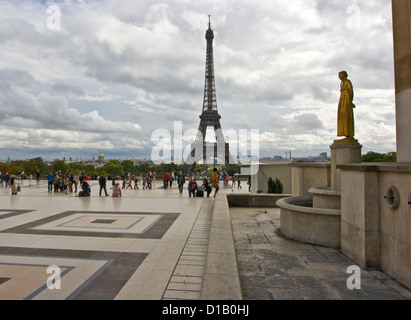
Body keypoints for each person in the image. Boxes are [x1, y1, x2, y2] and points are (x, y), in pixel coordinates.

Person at [337, 71, 356, 141]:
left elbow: (351, 92)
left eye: (340, 75)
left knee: (347, 115)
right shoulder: (342, 83)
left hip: (346, 100)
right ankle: (345, 133)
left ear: (343, 75)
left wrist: (350, 101)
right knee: (342, 116)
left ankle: (349, 134)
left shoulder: (348, 82)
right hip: (342, 100)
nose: (339, 77)